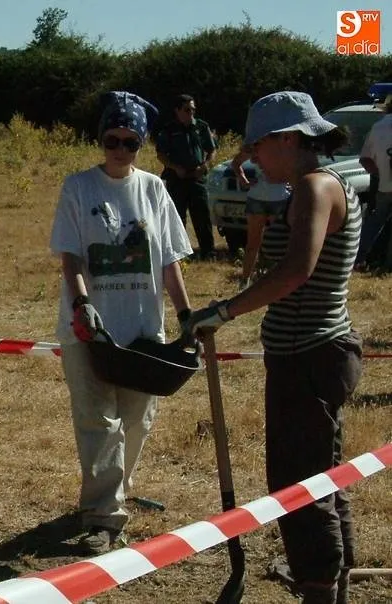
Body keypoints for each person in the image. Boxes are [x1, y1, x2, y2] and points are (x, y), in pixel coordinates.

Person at [186, 91, 362, 604]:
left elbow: (296, 271)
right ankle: (332, 578)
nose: (255, 155)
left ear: (288, 139)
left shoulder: (313, 187)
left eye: (259, 145)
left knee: (297, 484)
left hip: (309, 354)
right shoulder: (318, 184)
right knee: (321, 476)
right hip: (317, 350)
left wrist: (224, 311)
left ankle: (317, 586)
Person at [50, 91, 194, 555]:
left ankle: (115, 489)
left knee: (136, 419)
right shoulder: (78, 187)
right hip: (89, 329)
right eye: (112, 139)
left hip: (142, 328)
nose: (119, 149)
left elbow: (169, 258)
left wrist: (186, 314)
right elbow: (71, 254)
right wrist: (82, 304)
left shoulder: (154, 188)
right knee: (97, 420)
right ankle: (103, 517)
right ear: (100, 138)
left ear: (142, 144)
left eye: (130, 142)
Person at [156, 94, 218, 259]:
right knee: (177, 216)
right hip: (177, 178)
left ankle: (208, 252)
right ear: (177, 111)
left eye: (193, 110)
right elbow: (161, 154)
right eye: (187, 110)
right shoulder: (169, 130)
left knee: (202, 216)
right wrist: (175, 167)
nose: (191, 113)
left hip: (197, 177)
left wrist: (205, 166)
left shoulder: (201, 127)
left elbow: (212, 150)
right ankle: (179, 253)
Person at [229, 147, 291, 287]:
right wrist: (243, 180)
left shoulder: (285, 146)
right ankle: (245, 281)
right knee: (253, 243)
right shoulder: (259, 146)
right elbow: (236, 162)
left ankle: (278, 279)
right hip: (259, 198)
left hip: (279, 197)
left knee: (279, 242)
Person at [356, 94, 392, 269]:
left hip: (384, 186)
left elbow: (365, 159)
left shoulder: (378, 127)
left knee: (374, 221)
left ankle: (359, 257)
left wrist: (379, 175)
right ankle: (387, 265)